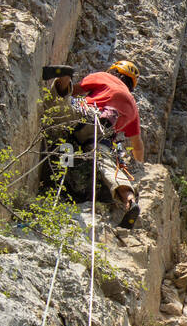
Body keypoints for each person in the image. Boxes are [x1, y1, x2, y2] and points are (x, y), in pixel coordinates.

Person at [42, 60, 144, 228]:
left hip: (85, 116)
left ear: (114, 71)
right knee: (108, 167)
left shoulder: (104, 77)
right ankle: (129, 201)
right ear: (131, 85)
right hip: (101, 136)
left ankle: (64, 77)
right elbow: (137, 144)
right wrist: (139, 163)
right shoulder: (132, 105)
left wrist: (68, 88)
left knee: (59, 106)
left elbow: (75, 92)